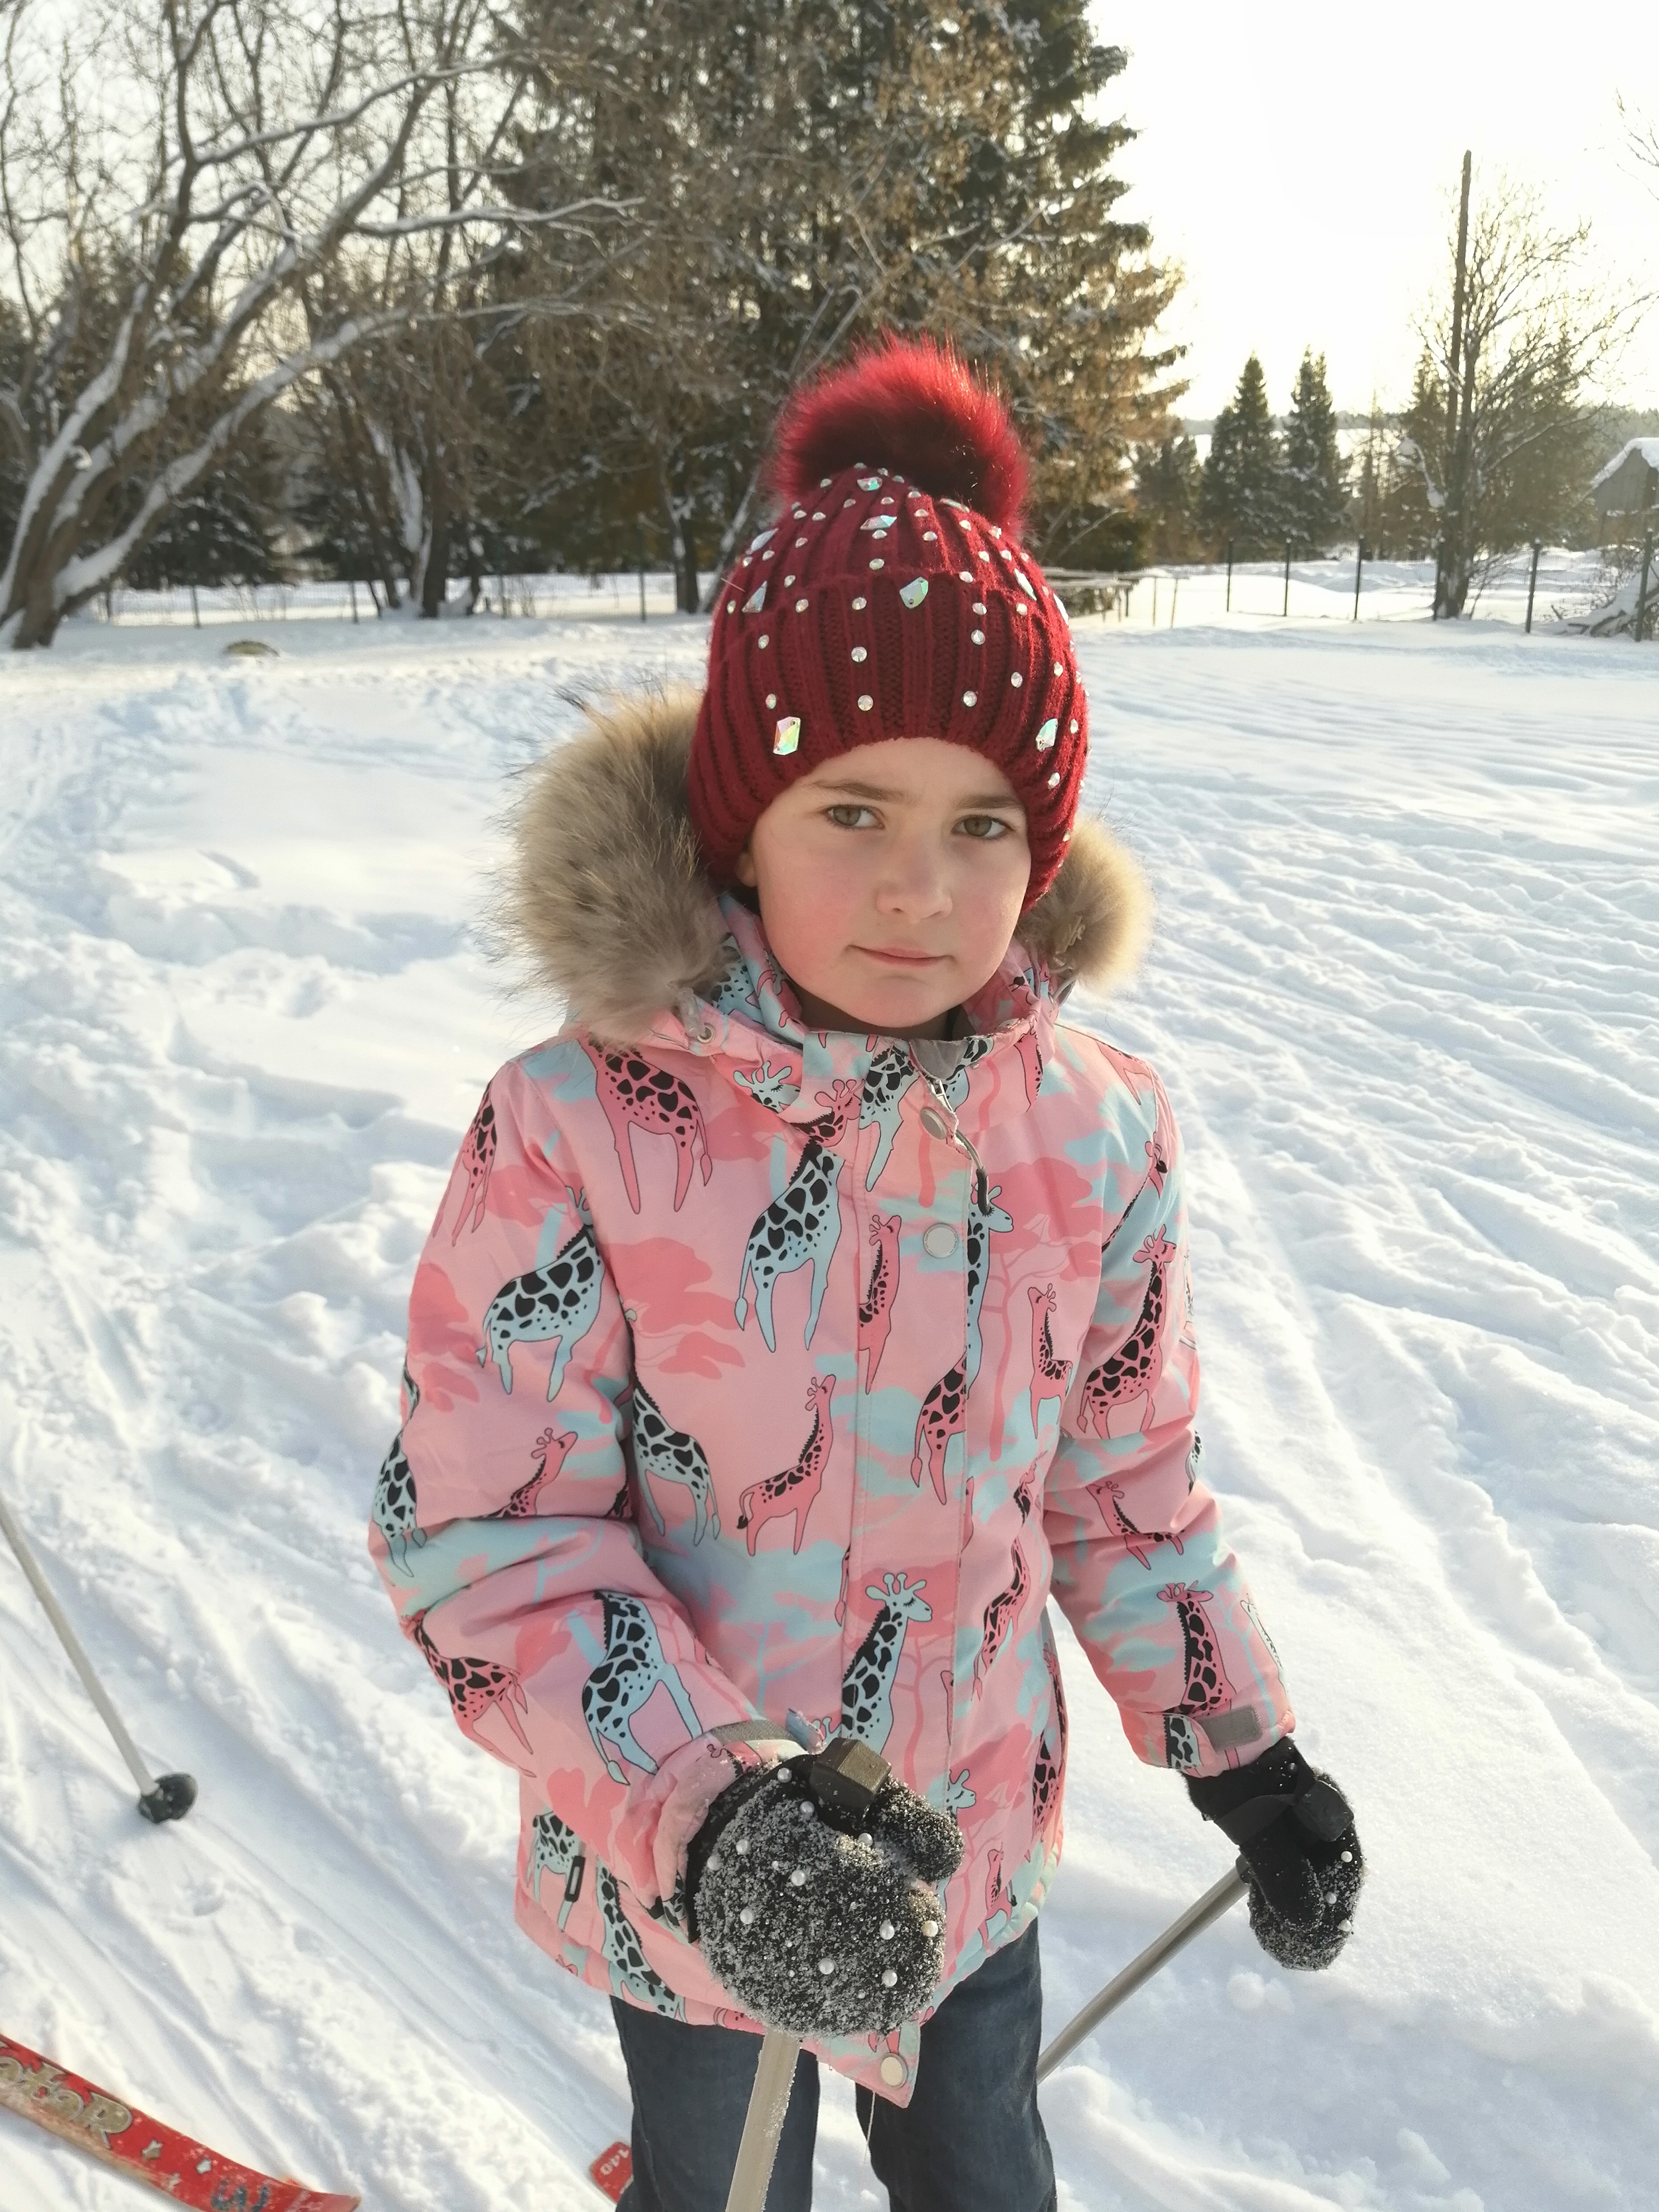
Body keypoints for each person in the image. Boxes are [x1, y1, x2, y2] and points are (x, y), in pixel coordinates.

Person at [368, 338, 1363, 2212]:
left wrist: (1244, 1748)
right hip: (700, 1868)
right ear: (742, 826)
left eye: (983, 824)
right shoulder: (581, 1124)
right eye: (854, 813)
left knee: (988, 2176)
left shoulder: (1096, 1129)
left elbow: (1121, 1483)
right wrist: (713, 1815)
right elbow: (489, 1535)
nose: (923, 887)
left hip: (970, 1842)